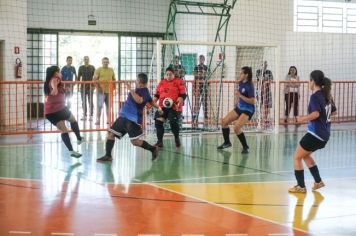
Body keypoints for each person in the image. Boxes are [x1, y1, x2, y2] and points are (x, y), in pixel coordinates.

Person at [288, 70, 337, 193]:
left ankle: (301, 186)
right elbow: (334, 112)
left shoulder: (315, 96)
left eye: (309, 80)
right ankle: (318, 181)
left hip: (315, 134)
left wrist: (302, 119)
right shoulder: (327, 95)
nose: (308, 83)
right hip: (325, 136)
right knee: (306, 155)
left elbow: (315, 114)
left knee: (297, 157)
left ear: (313, 81)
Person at [97, 73, 160, 162]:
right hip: (123, 117)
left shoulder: (144, 91)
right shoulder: (139, 90)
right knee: (110, 134)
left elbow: (139, 100)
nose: (135, 81)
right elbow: (151, 102)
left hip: (132, 120)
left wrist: (130, 89)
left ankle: (153, 149)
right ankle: (108, 156)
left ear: (140, 83)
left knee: (135, 142)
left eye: (136, 80)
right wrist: (159, 108)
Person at [44, 66, 83, 158]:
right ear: (55, 73)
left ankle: (73, 148)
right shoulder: (55, 79)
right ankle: (78, 138)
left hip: (54, 110)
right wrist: (54, 89)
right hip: (56, 110)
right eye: (59, 72)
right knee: (72, 121)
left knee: (65, 129)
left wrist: (62, 89)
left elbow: (56, 89)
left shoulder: (49, 81)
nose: (60, 73)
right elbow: (54, 84)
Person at [217, 66, 255, 154]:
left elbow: (252, 101)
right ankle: (227, 142)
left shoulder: (250, 86)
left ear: (246, 75)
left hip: (248, 110)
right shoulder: (240, 83)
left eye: (242, 73)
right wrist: (236, 102)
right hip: (239, 107)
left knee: (237, 127)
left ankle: (245, 147)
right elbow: (238, 94)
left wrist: (240, 96)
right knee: (223, 122)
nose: (240, 74)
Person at [153, 67, 187, 148]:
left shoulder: (178, 81)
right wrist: (152, 102)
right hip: (162, 106)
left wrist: (180, 98)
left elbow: (183, 94)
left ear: (173, 74)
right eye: (167, 75)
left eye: (170, 74)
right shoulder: (162, 82)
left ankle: (176, 138)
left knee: (173, 122)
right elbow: (157, 95)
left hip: (174, 106)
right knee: (158, 121)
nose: (168, 76)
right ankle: (160, 141)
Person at [93, 57, 116, 125]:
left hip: (109, 91)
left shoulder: (111, 70)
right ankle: (98, 120)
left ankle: (108, 120)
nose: (105, 63)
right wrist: (98, 87)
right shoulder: (98, 69)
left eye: (107, 62)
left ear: (108, 62)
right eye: (104, 62)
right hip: (101, 91)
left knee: (108, 106)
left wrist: (114, 87)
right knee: (99, 106)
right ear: (102, 62)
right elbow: (94, 79)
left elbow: (114, 79)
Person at [78, 56, 95, 121]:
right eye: (85, 59)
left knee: (90, 101)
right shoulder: (81, 67)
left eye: (87, 59)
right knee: (83, 101)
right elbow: (79, 77)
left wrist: (94, 86)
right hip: (83, 87)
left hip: (90, 86)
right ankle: (84, 115)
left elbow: (95, 77)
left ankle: (91, 115)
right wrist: (78, 86)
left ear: (89, 60)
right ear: (83, 60)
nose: (86, 60)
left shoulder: (92, 67)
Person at [193, 55, 209, 124]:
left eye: (202, 59)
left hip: (204, 86)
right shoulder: (196, 67)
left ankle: (205, 115)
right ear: (199, 60)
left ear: (204, 60)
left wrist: (200, 74)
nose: (201, 60)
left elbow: (207, 74)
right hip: (197, 86)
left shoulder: (206, 67)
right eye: (200, 59)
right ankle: (195, 115)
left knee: (204, 101)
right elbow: (194, 74)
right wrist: (201, 74)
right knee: (196, 101)